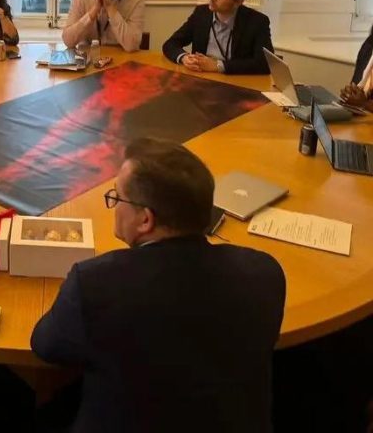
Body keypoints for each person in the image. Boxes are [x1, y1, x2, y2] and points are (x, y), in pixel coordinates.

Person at [31, 138, 285, 433]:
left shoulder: (94, 285)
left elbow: (45, 345)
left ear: (145, 220)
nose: (114, 206)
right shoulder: (263, 273)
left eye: (118, 197)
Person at [162, 0, 273, 74]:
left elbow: (265, 64)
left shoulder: (257, 21)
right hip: (201, 77)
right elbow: (170, 44)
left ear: (238, 2)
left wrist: (218, 66)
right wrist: (184, 58)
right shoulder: (201, 13)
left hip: (235, 81)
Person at [340, 26, 373, 112]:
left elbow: (363, 102)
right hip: (358, 114)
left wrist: (364, 104)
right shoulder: (369, 44)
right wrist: (349, 94)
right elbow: (356, 84)